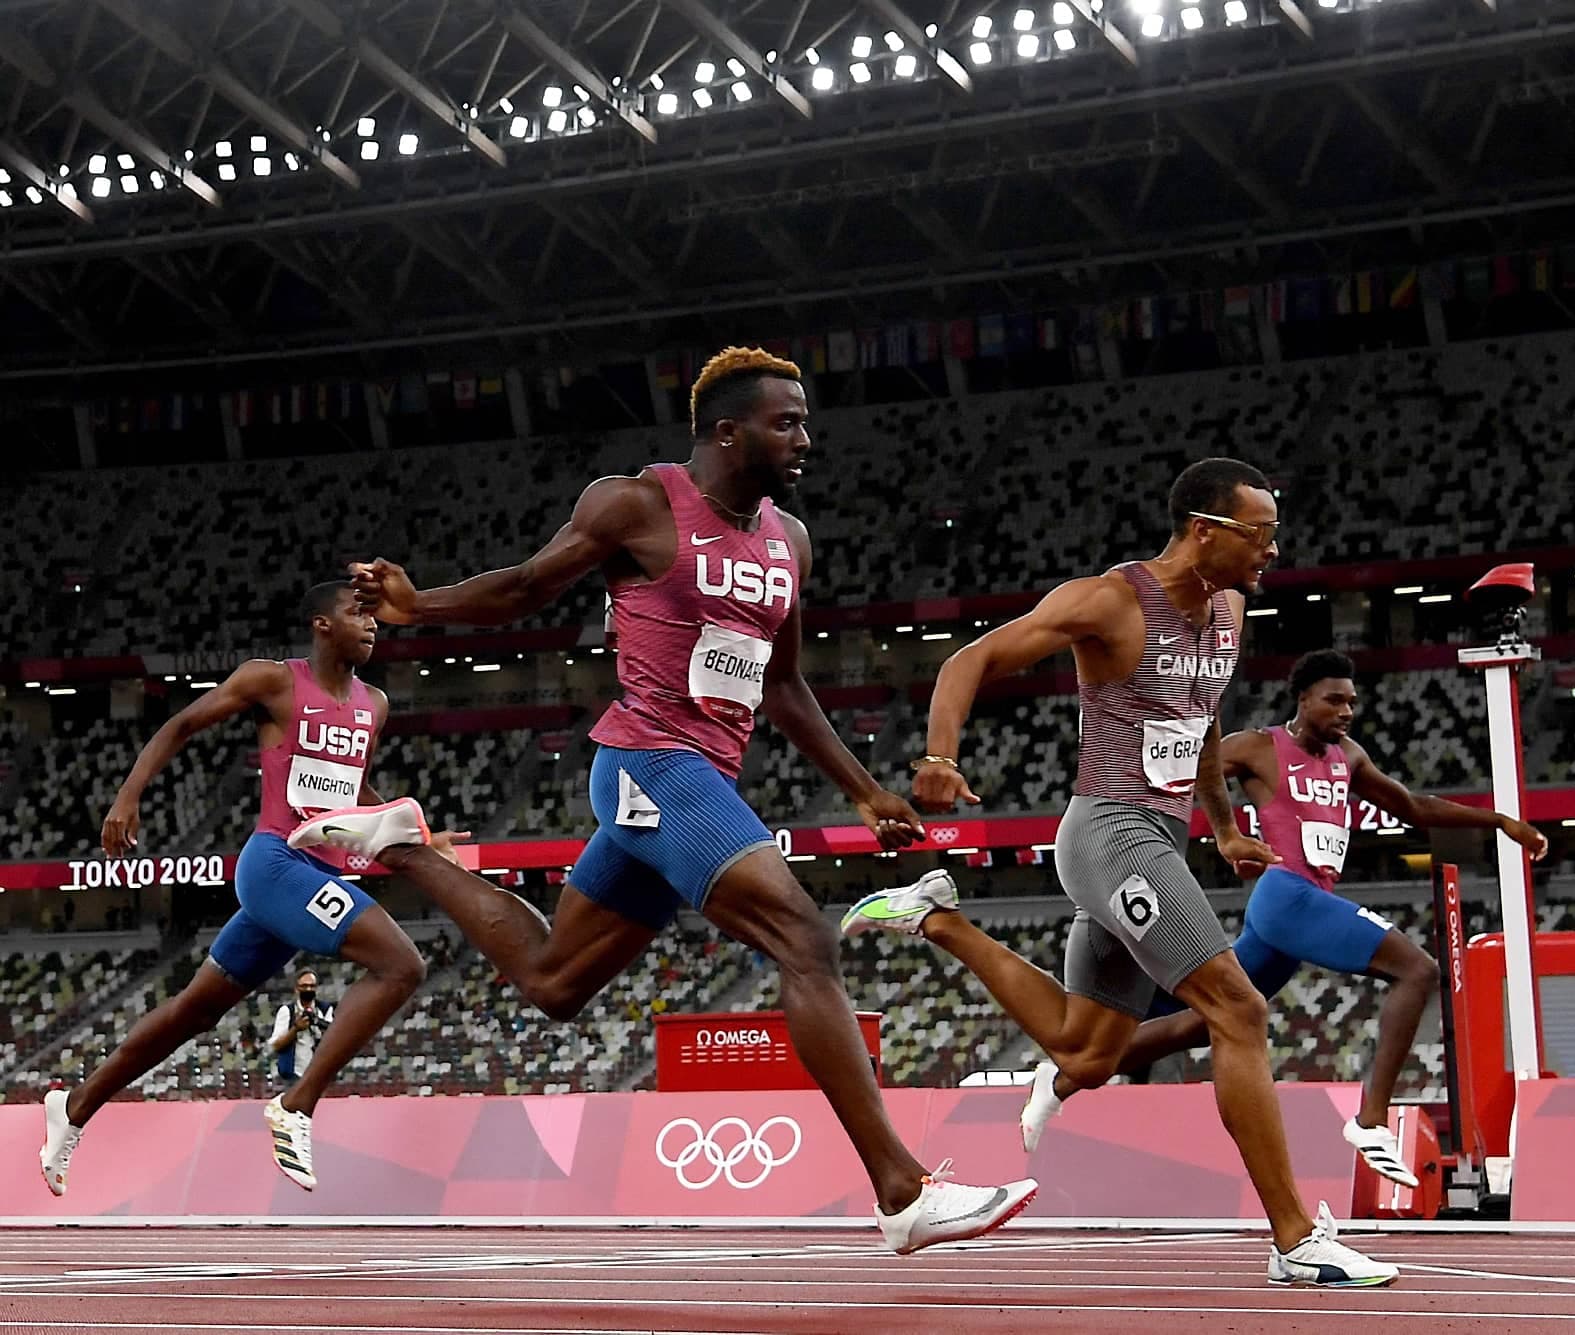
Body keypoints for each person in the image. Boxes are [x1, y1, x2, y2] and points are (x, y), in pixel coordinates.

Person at [288, 347, 1035, 1255]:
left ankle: (404, 847)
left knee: (555, 980)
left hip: (699, 780)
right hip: (648, 759)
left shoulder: (786, 539)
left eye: (804, 420)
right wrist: (418, 605)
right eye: (785, 421)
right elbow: (529, 585)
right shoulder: (638, 504)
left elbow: (785, 683)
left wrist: (865, 788)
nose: (806, 437)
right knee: (805, 934)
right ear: (728, 430)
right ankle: (901, 1188)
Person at [842, 457, 1397, 1288]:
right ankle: (1292, 1239)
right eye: (1260, 533)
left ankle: (936, 917)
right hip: (1108, 832)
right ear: (1205, 529)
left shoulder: (1231, 609)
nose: (1272, 551)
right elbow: (969, 661)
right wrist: (937, 756)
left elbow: (1200, 717)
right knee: (1238, 1006)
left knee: (1087, 1051)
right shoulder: (1111, 600)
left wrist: (1221, 827)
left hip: (1160, 843)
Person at [1017, 648, 1549, 1185]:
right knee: (1418, 970)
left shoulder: (1350, 758)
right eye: (1334, 700)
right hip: (1285, 895)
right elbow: (1188, 763)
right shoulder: (1258, 747)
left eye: (1353, 702)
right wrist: (1207, 827)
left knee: (1203, 1023)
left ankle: (1059, 1079)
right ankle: (1369, 1122)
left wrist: (1502, 821)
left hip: (1294, 916)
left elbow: (1413, 805)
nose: (1346, 711)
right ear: (1303, 697)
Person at [40, 583, 440, 1197]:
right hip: (276, 864)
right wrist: (128, 796)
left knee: (194, 1013)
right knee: (400, 964)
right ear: (321, 624)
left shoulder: (374, 704)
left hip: (319, 875)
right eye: (357, 613)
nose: (372, 624)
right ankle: (296, 1105)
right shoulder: (274, 681)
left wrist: (411, 830)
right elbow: (183, 723)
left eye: (374, 616)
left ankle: (71, 1110)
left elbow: (348, 793)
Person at [269, 970, 334, 1086]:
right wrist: (295, 1029)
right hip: (294, 1075)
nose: (308, 989)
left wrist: (319, 1023)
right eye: (304, 986)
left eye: (312, 986)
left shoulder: (325, 1009)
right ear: (296, 988)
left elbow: (333, 1038)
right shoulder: (287, 1011)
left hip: (320, 1073)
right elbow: (276, 1045)